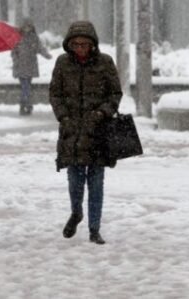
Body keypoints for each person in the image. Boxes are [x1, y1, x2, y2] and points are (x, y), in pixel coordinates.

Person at [48, 20, 122, 245]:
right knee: (75, 179)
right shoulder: (62, 64)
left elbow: (115, 94)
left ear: (92, 45)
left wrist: (102, 113)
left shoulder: (105, 63)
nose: (80, 48)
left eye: (84, 44)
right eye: (76, 44)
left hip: (98, 132)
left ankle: (94, 228)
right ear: (69, 45)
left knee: (96, 182)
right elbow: (55, 94)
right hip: (72, 132)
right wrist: (64, 117)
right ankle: (76, 211)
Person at [11, 18, 51, 115]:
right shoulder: (18, 37)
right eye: (25, 26)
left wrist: (46, 55)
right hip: (20, 66)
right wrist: (16, 61)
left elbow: (39, 48)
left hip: (30, 66)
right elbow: (13, 52)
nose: (27, 28)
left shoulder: (34, 37)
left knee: (26, 86)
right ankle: (27, 105)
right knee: (26, 86)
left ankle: (24, 105)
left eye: (29, 26)